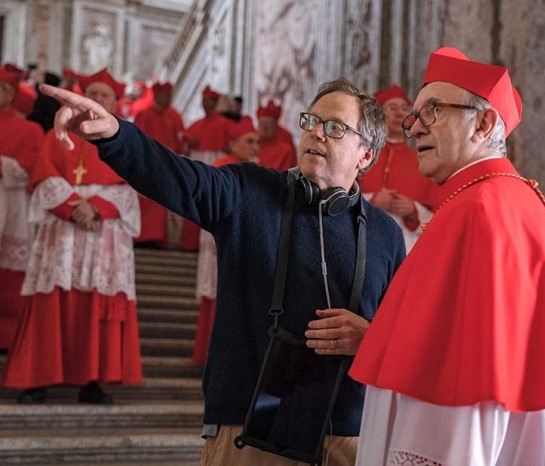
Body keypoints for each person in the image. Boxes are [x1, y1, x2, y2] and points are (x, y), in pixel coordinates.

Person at [41, 76, 405, 465]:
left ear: (365, 155)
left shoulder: (385, 234)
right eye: (311, 121)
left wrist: (373, 337)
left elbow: (406, 333)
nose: (316, 133)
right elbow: (176, 177)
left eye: (334, 127)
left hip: (348, 434)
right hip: (248, 430)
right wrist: (114, 134)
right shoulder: (246, 193)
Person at [350, 47, 545, 465]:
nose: (414, 129)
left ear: (484, 123)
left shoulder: (481, 207)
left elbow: (467, 382)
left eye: (432, 110)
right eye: (415, 116)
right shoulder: (501, 196)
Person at [1, 68, 143, 404]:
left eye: (104, 94)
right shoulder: (58, 133)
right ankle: (38, 380)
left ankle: (91, 381)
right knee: (51, 302)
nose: (96, 98)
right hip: (62, 231)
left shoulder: (127, 137)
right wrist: (72, 206)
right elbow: (45, 175)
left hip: (103, 233)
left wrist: (95, 207)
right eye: (91, 91)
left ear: (115, 101)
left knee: (97, 305)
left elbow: (133, 185)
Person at [192, 116, 259, 365]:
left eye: (257, 142)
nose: (255, 146)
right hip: (222, 247)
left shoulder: (254, 170)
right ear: (233, 143)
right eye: (249, 141)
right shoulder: (222, 167)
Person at [360, 84, 435, 251]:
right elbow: (341, 198)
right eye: (392, 108)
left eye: (404, 108)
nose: (399, 113)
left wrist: (413, 210)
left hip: (406, 248)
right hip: (362, 242)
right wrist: (371, 201)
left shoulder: (422, 160)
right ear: (379, 116)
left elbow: (436, 220)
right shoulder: (362, 155)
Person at [0, 68, 44, 351]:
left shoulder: (30, 129)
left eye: (3, 88)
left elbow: (32, 167)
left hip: (13, 205)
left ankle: (8, 339)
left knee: (10, 280)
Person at [180, 85, 237, 251]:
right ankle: (189, 243)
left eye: (209, 102)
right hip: (197, 162)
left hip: (217, 164)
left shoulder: (225, 124)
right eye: (203, 101)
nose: (206, 105)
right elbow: (185, 144)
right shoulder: (197, 124)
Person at [133, 81, 185, 248]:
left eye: (169, 95)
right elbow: (138, 139)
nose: (168, 99)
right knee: (150, 202)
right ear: (156, 95)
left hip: (170, 163)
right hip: (150, 163)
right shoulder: (144, 115)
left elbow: (179, 139)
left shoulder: (174, 115)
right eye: (164, 95)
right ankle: (146, 237)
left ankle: (163, 238)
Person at [256, 101, 297, 170]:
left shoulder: (285, 148)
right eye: (261, 123)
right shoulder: (252, 142)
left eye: (268, 124)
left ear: (275, 125)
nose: (264, 127)